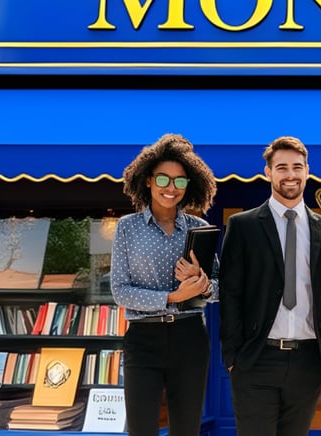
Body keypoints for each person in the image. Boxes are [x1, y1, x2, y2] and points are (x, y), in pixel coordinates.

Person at [219, 136, 321, 436]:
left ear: (307, 171)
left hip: (308, 359)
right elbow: (230, 293)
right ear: (268, 172)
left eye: (297, 167)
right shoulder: (243, 225)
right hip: (256, 358)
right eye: (282, 167)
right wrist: (233, 357)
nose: (291, 174)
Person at [110, 133, 218, 436]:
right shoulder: (127, 227)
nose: (171, 188)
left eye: (180, 181)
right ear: (147, 180)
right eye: (163, 179)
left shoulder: (199, 229)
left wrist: (203, 284)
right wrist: (173, 295)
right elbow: (120, 291)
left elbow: (219, 289)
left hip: (190, 338)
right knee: (141, 429)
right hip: (143, 339)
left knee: (186, 429)